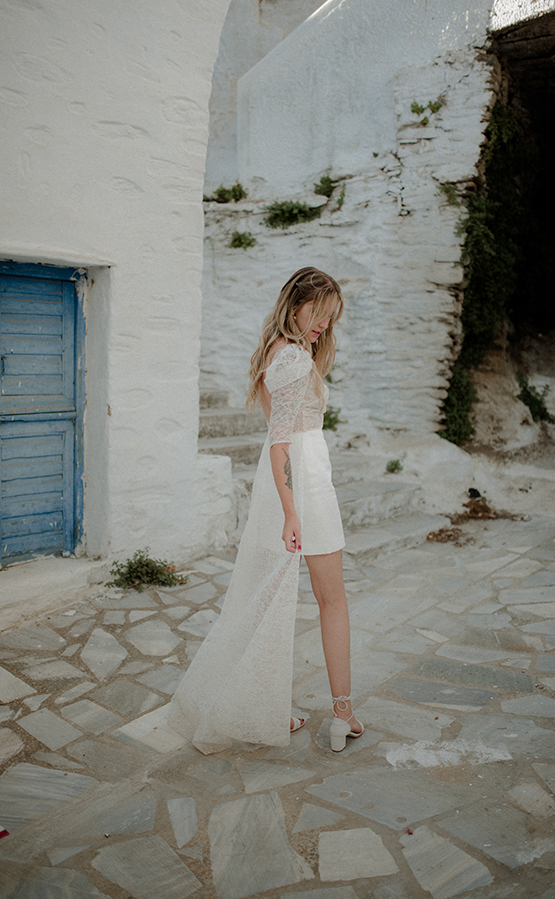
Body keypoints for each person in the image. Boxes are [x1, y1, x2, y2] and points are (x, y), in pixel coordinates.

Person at [168, 267, 363, 753]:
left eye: (330, 317)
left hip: (280, 484)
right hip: (303, 484)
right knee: (331, 600)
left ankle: (255, 706)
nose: (322, 325)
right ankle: (343, 714)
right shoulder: (295, 359)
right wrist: (294, 513)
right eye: (317, 312)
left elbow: (277, 439)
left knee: (263, 596)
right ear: (294, 302)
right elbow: (282, 443)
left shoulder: (275, 351)